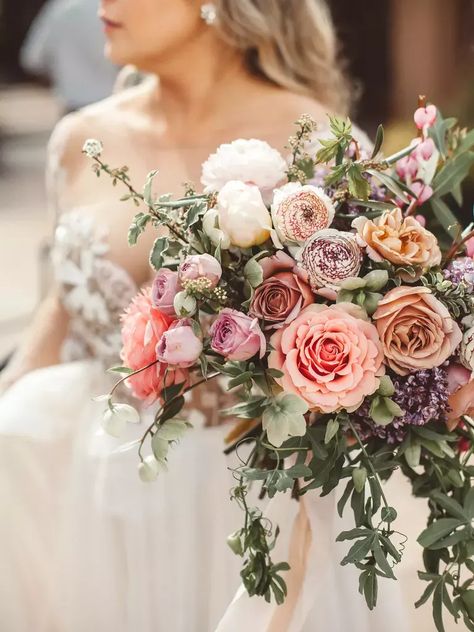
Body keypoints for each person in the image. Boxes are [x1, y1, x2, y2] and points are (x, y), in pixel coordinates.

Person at [0, 1, 409, 631]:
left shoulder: (324, 147)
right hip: (94, 503)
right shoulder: (83, 142)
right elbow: (57, 320)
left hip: (257, 506)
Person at [20, 0, 119, 112]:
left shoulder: (60, 8)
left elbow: (33, 60)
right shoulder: (117, 8)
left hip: (72, 106)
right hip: (114, 104)